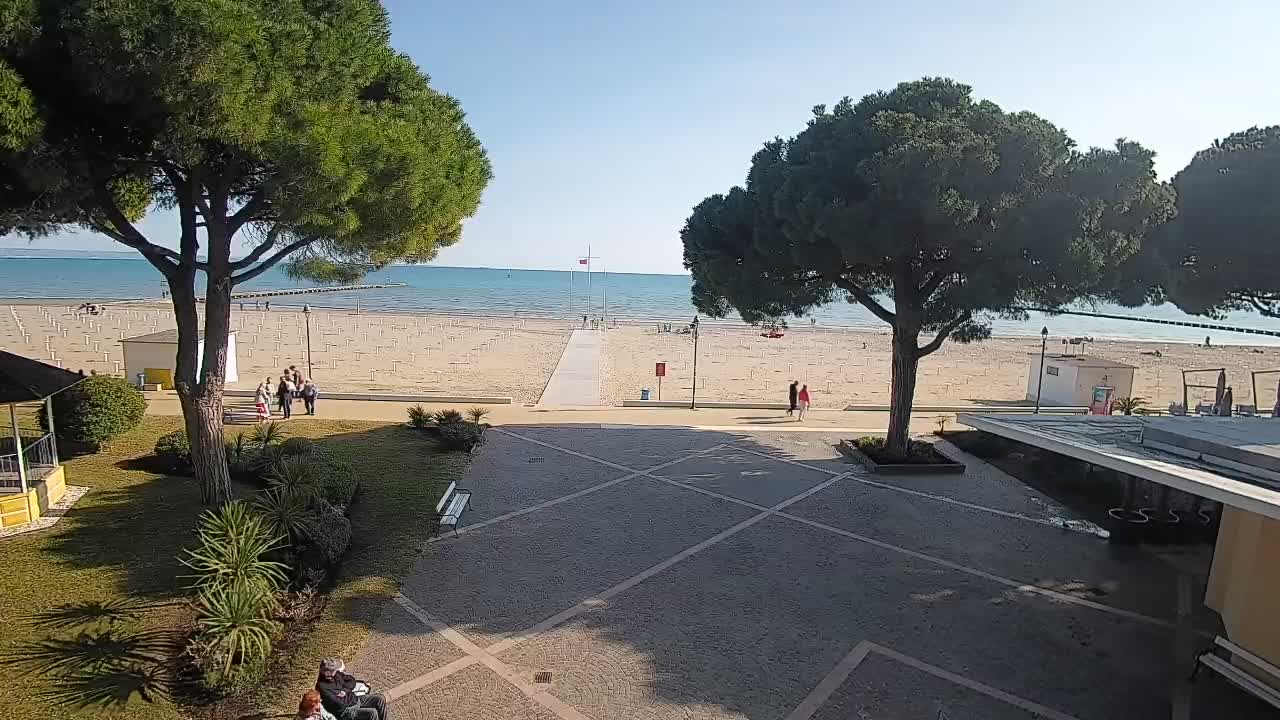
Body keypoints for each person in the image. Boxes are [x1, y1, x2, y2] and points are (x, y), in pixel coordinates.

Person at [316, 658, 389, 720]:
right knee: (372, 713)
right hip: (346, 711)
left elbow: (351, 680)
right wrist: (348, 693)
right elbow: (339, 703)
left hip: (354, 699)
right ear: (328, 673)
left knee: (380, 698)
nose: (337, 670)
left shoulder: (337, 674)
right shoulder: (322, 688)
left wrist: (345, 691)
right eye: (334, 670)